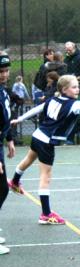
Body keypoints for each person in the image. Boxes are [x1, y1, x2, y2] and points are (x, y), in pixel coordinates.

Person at [8, 75, 80, 225]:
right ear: (64, 89)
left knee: (29, 159)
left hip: (37, 136)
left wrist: (20, 119)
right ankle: (45, 214)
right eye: (74, 87)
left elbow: (37, 109)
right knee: (46, 176)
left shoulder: (52, 100)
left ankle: (15, 182)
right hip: (46, 141)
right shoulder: (74, 105)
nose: (77, 89)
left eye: (78, 86)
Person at [0, 53, 16, 255]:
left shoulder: (3, 92)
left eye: (5, 71)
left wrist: (10, 138)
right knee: (1, 188)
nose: (4, 75)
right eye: (0, 72)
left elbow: (5, 118)